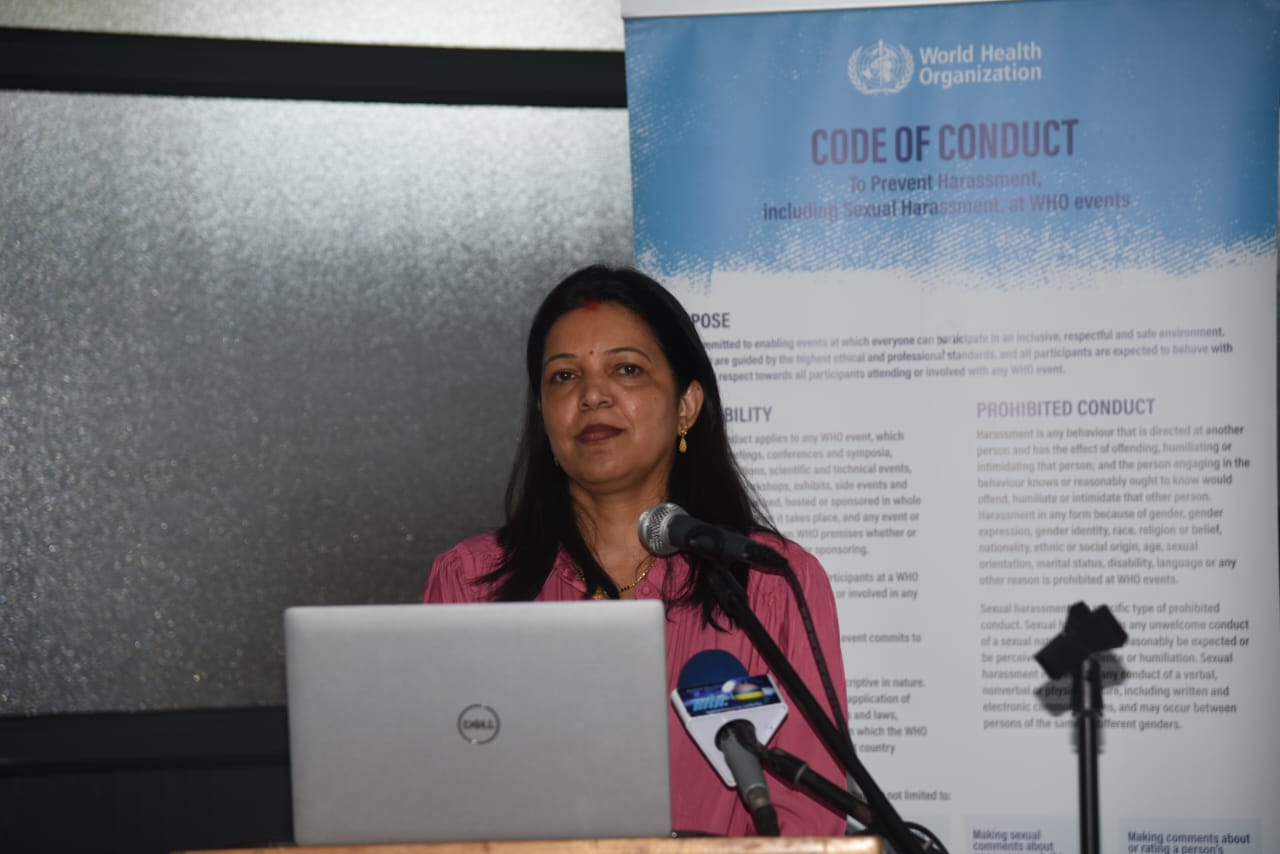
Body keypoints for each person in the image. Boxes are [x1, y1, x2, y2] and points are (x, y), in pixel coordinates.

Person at [424, 264, 849, 836]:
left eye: (626, 369)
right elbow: (437, 797)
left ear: (686, 406)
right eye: (564, 376)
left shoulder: (769, 582)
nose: (592, 395)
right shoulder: (471, 582)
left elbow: (807, 821)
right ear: (544, 417)